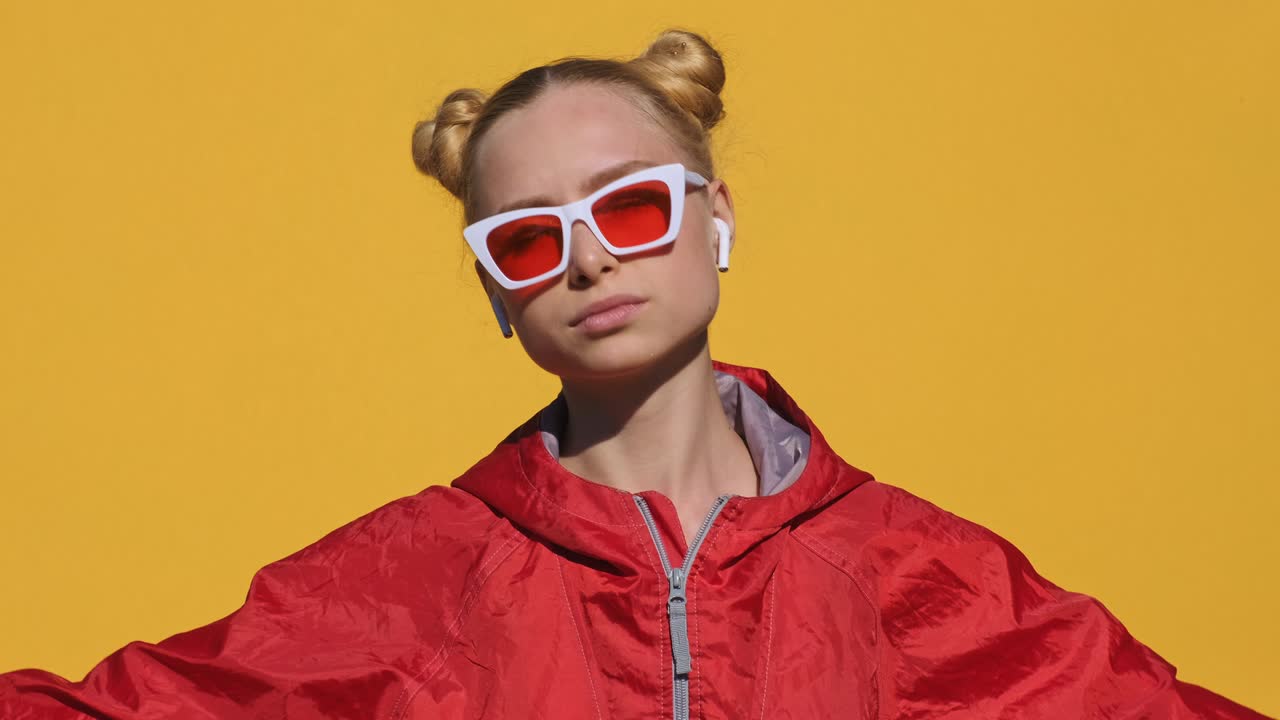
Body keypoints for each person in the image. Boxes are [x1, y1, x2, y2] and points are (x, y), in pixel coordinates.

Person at [1, 28, 1270, 720]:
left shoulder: (918, 575)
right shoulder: (405, 580)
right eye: (531, 235)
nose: (591, 260)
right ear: (498, 289)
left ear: (715, 215)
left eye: (634, 207)